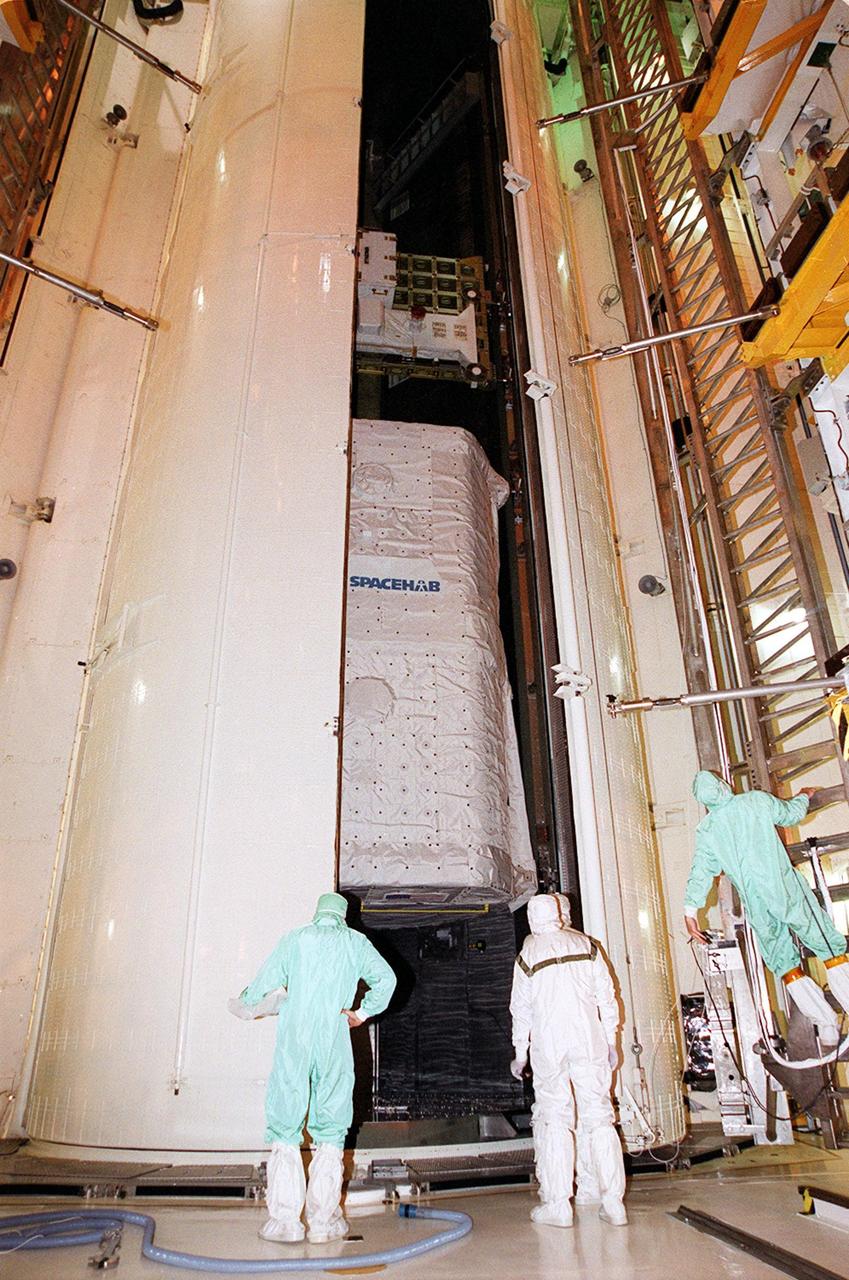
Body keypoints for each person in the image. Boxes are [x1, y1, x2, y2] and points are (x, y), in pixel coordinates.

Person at [233, 891, 396, 1244]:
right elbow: (388, 980)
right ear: (343, 915)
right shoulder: (355, 943)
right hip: (333, 1038)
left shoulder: (295, 939)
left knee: (285, 1127)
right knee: (331, 1131)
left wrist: (245, 1001)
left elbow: (263, 982)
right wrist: (361, 1014)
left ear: (317, 912)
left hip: (295, 1038)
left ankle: (285, 1223)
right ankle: (323, 1223)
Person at [684, 771, 849, 1043]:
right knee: (827, 946)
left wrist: (690, 911)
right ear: (724, 785)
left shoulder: (708, 831)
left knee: (784, 965)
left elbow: (701, 872)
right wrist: (803, 796)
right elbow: (790, 815)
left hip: (758, 907)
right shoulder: (755, 801)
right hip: (785, 891)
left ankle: (828, 1027)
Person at [509, 892, 627, 1229]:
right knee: (600, 1117)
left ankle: (559, 1205)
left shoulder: (527, 955)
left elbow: (521, 1011)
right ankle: (613, 1203)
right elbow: (607, 997)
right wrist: (611, 1040)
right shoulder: (587, 946)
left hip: (549, 1047)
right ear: (560, 915)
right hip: (588, 1042)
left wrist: (520, 1053)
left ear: (532, 919)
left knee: (555, 1119)